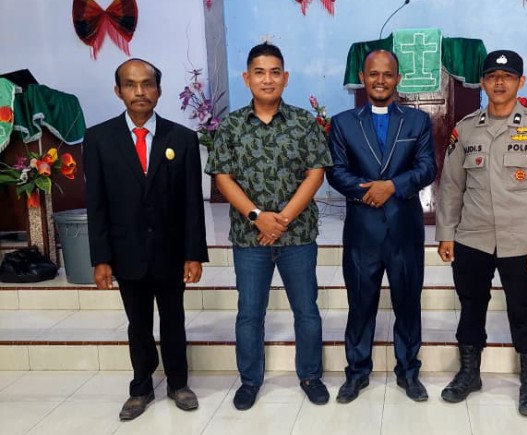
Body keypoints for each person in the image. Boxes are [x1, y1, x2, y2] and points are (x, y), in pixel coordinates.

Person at [205, 42, 332, 410]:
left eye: (275, 72)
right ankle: (249, 380)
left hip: (298, 236)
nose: (267, 79)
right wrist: (257, 216)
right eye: (259, 72)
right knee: (250, 313)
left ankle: (310, 376)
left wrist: (283, 219)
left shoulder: (303, 122)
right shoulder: (231, 126)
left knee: (306, 310)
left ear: (285, 78)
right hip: (250, 238)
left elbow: (316, 173)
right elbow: (222, 177)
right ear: (247, 78)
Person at [435, 50, 527, 416]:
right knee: (471, 306)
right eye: (492, 76)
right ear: (483, 83)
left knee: (524, 309)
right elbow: (451, 186)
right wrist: (446, 233)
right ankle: (469, 374)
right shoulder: (466, 129)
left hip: (521, 239)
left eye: (507, 77)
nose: (499, 83)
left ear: (521, 82)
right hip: (472, 237)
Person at [84, 58, 209, 421]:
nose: (139, 91)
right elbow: (96, 204)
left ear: (159, 89)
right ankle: (140, 388)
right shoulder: (99, 139)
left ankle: (178, 383)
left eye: (147, 84)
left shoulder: (181, 138)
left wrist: (193, 254)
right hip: (127, 251)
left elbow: (192, 204)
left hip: (170, 251)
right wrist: (101, 258)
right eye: (130, 84)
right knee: (138, 323)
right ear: (118, 91)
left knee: (173, 320)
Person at [326, 49, 436, 403]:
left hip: (405, 230)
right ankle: (357, 373)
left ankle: (409, 372)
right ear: (363, 77)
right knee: (360, 305)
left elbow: (427, 167)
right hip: (363, 231)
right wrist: (369, 192)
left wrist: (393, 186)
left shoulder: (417, 121)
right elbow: (336, 171)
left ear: (397, 79)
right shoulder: (343, 123)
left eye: (387, 74)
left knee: (408, 304)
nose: (380, 80)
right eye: (373, 74)